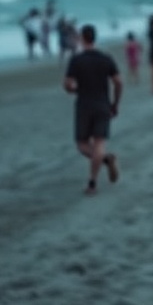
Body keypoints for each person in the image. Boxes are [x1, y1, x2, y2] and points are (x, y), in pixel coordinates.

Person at [64, 24, 122, 195]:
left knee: (82, 145)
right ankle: (100, 167)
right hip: (103, 104)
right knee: (99, 144)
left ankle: (94, 179)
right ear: (94, 37)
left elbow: (67, 84)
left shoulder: (77, 60)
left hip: (84, 105)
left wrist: (75, 89)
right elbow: (118, 81)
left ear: (82, 38)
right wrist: (115, 102)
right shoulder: (105, 58)